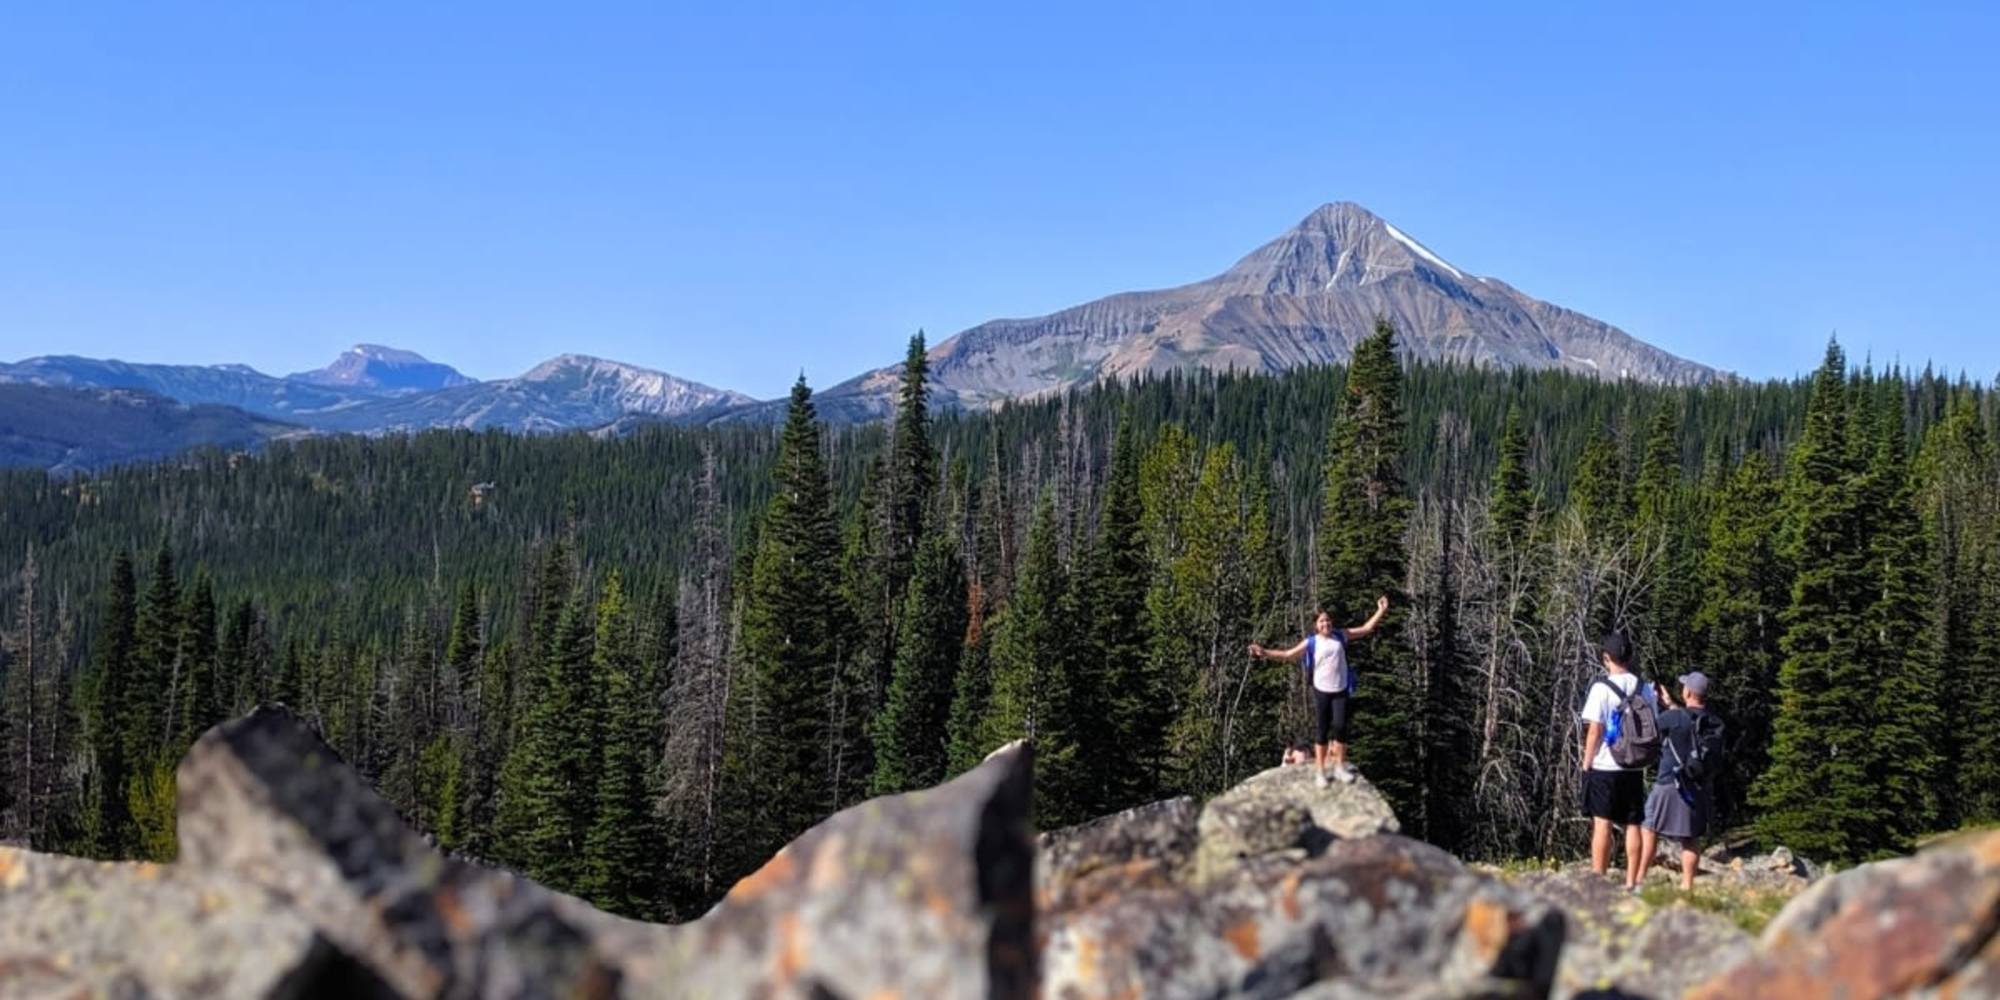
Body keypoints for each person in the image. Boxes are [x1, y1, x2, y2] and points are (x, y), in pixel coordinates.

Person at [1249, 595, 1390, 789]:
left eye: (1328, 620)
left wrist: (1380, 610)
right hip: (1322, 691)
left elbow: (1366, 629)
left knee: (1340, 727)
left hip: (1340, 689)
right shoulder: (1311, 642)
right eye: (1322, 621)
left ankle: (1339, 766)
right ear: (1316, 625)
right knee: (1322, 731)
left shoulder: (1341, 635)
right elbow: (1288, 655)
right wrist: (1264, 652)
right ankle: (1321, 771)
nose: (1326, 623)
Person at [1578, 630, 1658, 892]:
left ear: (1606, 658)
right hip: (1634, 765)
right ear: (1630, 656)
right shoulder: (1644, 688)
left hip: (1605, 764)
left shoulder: (1601, 688)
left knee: (1602, 822)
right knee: (1632, 823)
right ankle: (1632, 882)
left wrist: (1586, 763)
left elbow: (1595, 730)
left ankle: (1597, 880)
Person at [1640, 672, 1722, 890]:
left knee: (1649, 827)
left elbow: (1652, 730)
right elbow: (1690, 720)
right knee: (1690, 837)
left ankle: (1639, 879)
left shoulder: (1673, 718)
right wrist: (1670, 704)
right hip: (1698, 785)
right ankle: (1687, 885)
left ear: (1687, 692)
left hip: (1668, 782)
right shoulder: (1715, 722)